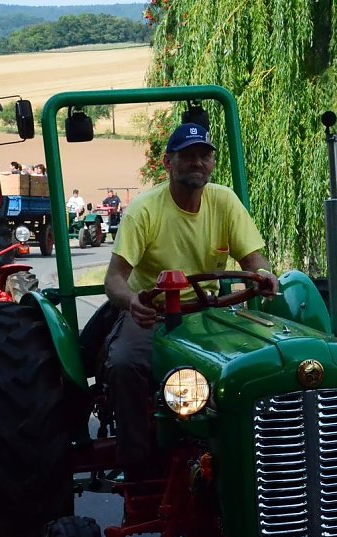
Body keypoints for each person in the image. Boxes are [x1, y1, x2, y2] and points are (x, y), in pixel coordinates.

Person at [102, 122, 279, 474]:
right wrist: (134, 302)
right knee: (124, 364)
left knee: (264, 361)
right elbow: (114, 280)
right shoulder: (145, 210)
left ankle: (262, 453)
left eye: (204, 155)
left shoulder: (224, 201)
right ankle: (137, 463)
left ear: (212, 163)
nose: (197, 162)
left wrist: (265, 274)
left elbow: (254, 260)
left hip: (209, 310)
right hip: (153, 313)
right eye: (187, 156)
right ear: (168, 162)